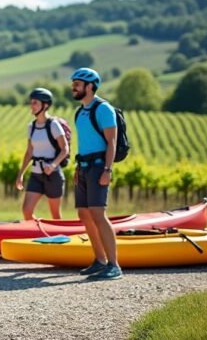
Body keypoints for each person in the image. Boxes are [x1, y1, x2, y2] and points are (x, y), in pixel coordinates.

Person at [71, 67, 122, 280]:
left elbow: (112, 142)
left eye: (77, 84)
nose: (73, 87)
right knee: (84, 214)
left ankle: (114, 265)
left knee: (98, 214)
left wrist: (107, 170)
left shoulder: (103, 109)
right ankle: (100, 260)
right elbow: (85, 143)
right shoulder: (80, 111)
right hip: (83, 167)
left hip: (99, 167)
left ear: (90, 86)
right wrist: (77, 168)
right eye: (73, 83)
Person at [15, 88, 68, 220]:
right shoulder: (31, 127)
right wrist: (20, 173)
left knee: (55, 215)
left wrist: (53, 165)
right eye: (31, 102)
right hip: (36, 175)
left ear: (45, 105)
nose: (31, 106)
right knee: (27, 211)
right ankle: (41, 234)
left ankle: (58, 238)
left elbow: (65, 149)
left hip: (53, 175)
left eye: (35, 103)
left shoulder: (54, 125)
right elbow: (29, 152)